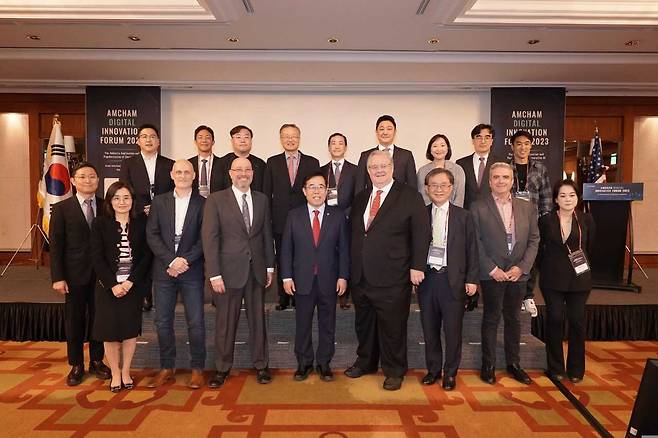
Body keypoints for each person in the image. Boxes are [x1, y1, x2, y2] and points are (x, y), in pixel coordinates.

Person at [345, 150, 430, 391]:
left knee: (393, 327)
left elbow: (422, 234)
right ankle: (366, 362)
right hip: (362, 276)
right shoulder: (361, 198)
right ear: (368, 171)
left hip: (394, 274)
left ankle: (394, 370)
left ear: (392, 168)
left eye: (383, 166)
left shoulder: (409, 196)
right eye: (373, 167)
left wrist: (417, 266)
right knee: (364, 324)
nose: (378, 171)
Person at [202, 157, 276, 387]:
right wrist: (214, 273)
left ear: (252, 173)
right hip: (227, 273)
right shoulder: (216, 200)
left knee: (258, 322)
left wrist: (270, 266)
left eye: (247, 170)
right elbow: (210, 238)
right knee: (225, 324)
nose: (243, 174)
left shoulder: (261, 199)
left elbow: (266, 234)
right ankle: (222, 368)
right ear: (230, 173)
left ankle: (261, 365)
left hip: (256, 271)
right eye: (238, 170)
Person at [471, 162, 539, 385]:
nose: (501, 181)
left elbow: (533, 240)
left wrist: (522, 267)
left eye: (505, 177)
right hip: (492, 274)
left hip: (517, 274)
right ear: (490, 182)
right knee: (491, 319)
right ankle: (488, 365)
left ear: (512, 181)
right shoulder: (478, 207)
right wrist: (492, 269)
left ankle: (514, 364)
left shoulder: (527, 207)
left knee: (514, 319)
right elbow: (475, 242)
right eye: (496, 177)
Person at [280, 172, 349, 382]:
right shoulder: (294, 215)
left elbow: (344, 250)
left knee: (327, 324)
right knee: (302, 324)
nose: (317, 191)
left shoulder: (337, 215)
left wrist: (343, 276)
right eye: (312, 187)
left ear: (326, 191)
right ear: (304, 191)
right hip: (301, 280)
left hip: (329, 280)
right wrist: (286, 277)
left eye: (321, 187)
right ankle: (304, 363)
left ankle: (324, 363)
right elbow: (286, 250)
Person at [146, 160, 206, 389]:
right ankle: (166, 367)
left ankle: (198, 368)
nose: (182, 175)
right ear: (172, 175)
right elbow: (152, 235)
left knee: (196, 322)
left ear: (194, 176)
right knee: (163, 322)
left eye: (187, 172)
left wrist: (184, 260)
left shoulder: (203, 203)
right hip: (164, 271)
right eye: (178, 172)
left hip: (191, 271)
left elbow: (204, 239)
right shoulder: (159, 202)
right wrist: (171, 260)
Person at [49, 162, 111, 386]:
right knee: (74, 319)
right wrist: (57, 277)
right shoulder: (61, 209)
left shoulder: (106, 206)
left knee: (98, 318)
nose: (88, 180)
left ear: (98, 180)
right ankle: (76, 364)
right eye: (83, 177)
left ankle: (97, 360)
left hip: (102, 275)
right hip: (73, 275)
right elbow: (56, 246)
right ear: (73, 181)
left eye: (92, 176)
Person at [417, 168, 479, 391]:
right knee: (429, 329)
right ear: (426, 189)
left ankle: (450, 373)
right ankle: (433, 370)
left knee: (453, 331)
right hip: (428, 280)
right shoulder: (420, 214)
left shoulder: (464, 216)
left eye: (444, 185)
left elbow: (472, 249)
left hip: (453, 280)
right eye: (434, 185)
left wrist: (472, 279)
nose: (439, 189)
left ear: (452, 189)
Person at [91, 181, 153, 392]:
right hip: (108, 288)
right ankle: (115, 373)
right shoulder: (100, 223)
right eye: (116, 198)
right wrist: (112, 285)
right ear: (110, 201)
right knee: (110, 333)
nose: (122, 202)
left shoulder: (141, 222)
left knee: (129, 332)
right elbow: (97, 258)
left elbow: (146, 256)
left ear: (132, 200)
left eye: (126, 197)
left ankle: (126, 371)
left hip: (132, 287)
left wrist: (130, 282)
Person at [539, 179, 595, 383]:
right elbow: (539, 249)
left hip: (579, 280)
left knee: (577, 322)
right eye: (562, 195)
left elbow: (591, 247)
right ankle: (555, 367)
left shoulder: (586, 220)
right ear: (555, 199)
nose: (567, 199)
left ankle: (576, 369)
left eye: (571, 195)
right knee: (554, 319)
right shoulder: (546, 220)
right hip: (552, 279)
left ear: (577, 198)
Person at [263, 123, 320, 311]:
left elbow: (316, 192)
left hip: (305, 220)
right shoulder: (272, 162)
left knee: (302, 257)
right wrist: (268, 221)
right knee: (282, 257)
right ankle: (283, 296)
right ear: (280, 139)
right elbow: (266, 193)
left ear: (299, 138)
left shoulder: (312, 162)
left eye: (294, 136)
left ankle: (300, 294)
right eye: (286, 136)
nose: (290, 139)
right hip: (280, 220)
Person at [120, 123, 174, 311]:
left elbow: (174, 191)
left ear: (158, 141)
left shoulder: (169, 164)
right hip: (139, 215)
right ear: (138, 141)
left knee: (161, 252)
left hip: (164, 216)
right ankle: (144, 294)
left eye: (152, 136)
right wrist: (142, 207)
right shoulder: (129, 163)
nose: (148, 140)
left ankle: (164, 293)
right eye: (144, 137)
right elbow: (125, 190)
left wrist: (159, 207)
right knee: (141, 253)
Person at [508, 130, 553, 318]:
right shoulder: (505, 168)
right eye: (519, 143)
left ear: (531, 145)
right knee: (513, 257)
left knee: (530, 259)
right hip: (510, 221)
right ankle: (515, 297)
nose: (523, 147)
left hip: (533, 221)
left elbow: (546, 197)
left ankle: (528, 296)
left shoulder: (539, 168)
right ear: (512, 146)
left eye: (526, 143)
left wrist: (544, 220)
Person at [319, 132, 357, 309]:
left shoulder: (355, 170)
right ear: (328, 147)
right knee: (328, 255)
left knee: (345, 254)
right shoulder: (321, 170)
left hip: (347, 219)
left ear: (345, 147)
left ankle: (345, 295)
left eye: (340, 143)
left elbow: (358, 196)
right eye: (333, 143)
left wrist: (346, 215)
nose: (336, 146)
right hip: (325, 221)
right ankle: (328, 290)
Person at [355, 115, 417, 193]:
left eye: (389, 129)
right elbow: (359, 187)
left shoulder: (406, 155)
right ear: (376, 132)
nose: (385, 132)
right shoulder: (365, 156)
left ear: (395, 132)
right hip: (374, 201)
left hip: (400, 202)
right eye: (381, 129)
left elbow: (412, 186)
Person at [456, 123, 502, 210]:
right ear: (473, 141)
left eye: (487, 137)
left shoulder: (500, 163)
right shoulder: (461, 164)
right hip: (468, 213)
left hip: (493, 213)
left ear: (492, 141)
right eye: (479, 137)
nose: (483, 141)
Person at [416, 134, 466, 207]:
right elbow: (422, 196)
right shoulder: (422, 171)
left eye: (442, 145)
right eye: (435, 146)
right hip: (429, 213)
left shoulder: (457, 169)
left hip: (453, 213)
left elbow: (459, 196)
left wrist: (454, 213)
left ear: (447, 148)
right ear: (430, 149)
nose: (439, 149)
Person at [218, 125, 267, 192]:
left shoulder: (260, 164)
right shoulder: (221, 163)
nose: (243, 140)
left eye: (246, 137)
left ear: (251, 140)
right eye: (238, 137)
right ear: (232, 141)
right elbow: (216, 193)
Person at [188, 125, 222, 197]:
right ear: (195, 142)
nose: (204, 140)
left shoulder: (222, 163)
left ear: (213, 142)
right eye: (200, 137)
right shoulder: (189, 164)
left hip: (216, 203)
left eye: (207, 137)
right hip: (195, 204)